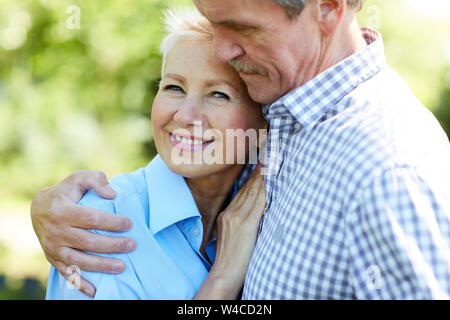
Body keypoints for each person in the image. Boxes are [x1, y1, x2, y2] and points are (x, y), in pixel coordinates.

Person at [32, 0, 450, 299]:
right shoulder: (101, 227)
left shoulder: (386, 168)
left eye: (243, 28)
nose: (225, 48)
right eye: (173, 86)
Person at [44, 7, 267, 299]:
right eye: (174, 87)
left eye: (218, 94)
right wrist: (223, 279)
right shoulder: (100, 224)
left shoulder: (256, 213)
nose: (186, 114)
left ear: (264, 121)